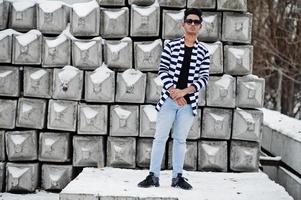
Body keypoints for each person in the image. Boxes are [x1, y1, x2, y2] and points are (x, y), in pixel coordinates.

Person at [137, 8, 210, 190]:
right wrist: (173, 92)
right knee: (160, 138)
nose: (192, 24)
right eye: (189, 21)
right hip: (168, 101)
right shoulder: (171, 46)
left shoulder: (204, 51)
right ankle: (153, 176)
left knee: (180, 140)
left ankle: (178, 177)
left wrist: (184, 92)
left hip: (188, 103)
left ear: (200, 26)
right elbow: (163, 71)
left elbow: (203, 78)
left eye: (196, 22)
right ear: (183, 24)